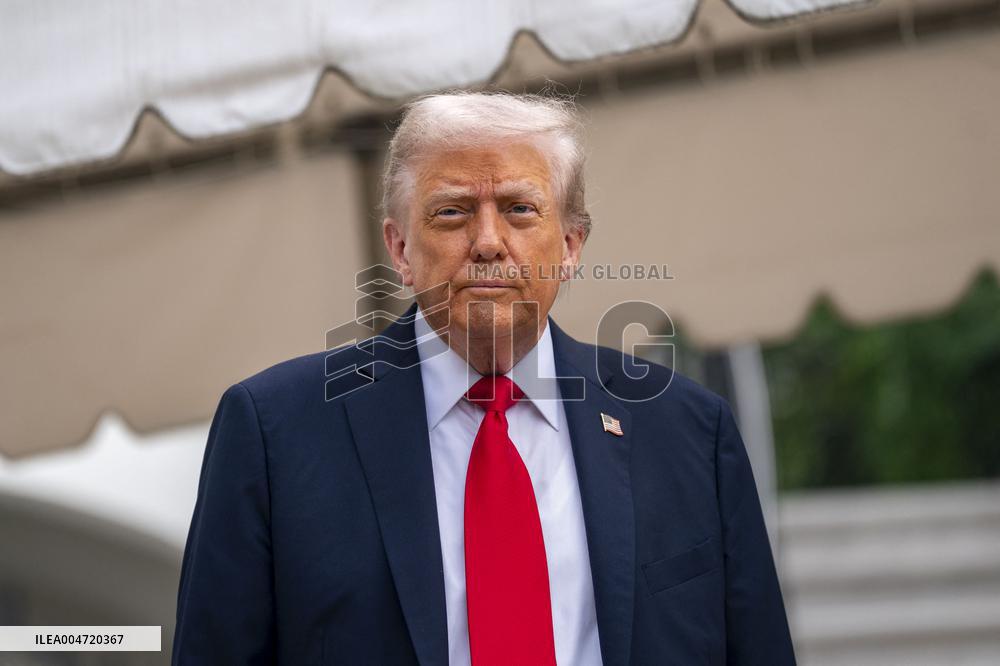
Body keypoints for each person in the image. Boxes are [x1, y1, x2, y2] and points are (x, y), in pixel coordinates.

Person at [172, 91, 796, 665]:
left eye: (521, 209)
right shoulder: (275, 431)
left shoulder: (687, 429)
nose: (489, 242)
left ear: (572, 245)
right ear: (399, 250)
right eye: (452, 212)